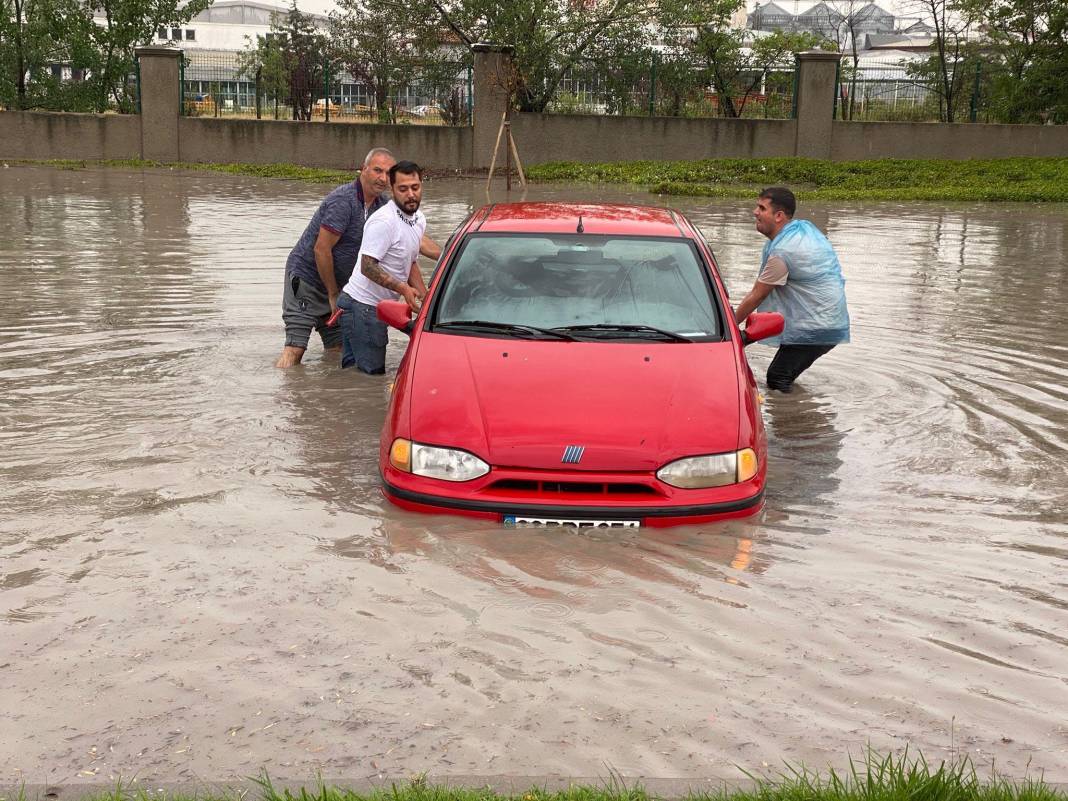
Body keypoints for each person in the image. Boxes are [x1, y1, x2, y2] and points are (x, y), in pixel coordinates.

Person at [274, 148, 440, 368]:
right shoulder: (344, 202)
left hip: (343, 289)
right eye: (377, 170)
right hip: (309, 281)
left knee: (336, 350)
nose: (382, 178)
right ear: (363, 170)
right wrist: (332, 293)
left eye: (387, 173)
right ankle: (285, 395)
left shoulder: (383, 207)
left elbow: (413, 243)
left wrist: (453, 255)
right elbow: (321, 250)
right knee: (296, 348)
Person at [733, 187, 850, 393]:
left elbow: (757, 295)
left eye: (762, 208)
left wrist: (729, 328)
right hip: (826, 321)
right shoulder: (801, 231)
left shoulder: (783, 251)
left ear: (779, 216)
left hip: (814, 328)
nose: (755, 212)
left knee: (778, 378)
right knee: (783, 374)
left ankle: (793, 421)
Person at [336, 160, 430, 374]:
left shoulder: (418, 219)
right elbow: (367, 267)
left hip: (372, 307)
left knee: (352, 374)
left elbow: (410, 260)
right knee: (372, 378)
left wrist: (425, 296)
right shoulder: (384, 222)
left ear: (421, 185)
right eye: (403, 189)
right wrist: (404, 289)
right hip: (363, 306)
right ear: (392, 188)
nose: (411, 194)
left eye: (415, 187)